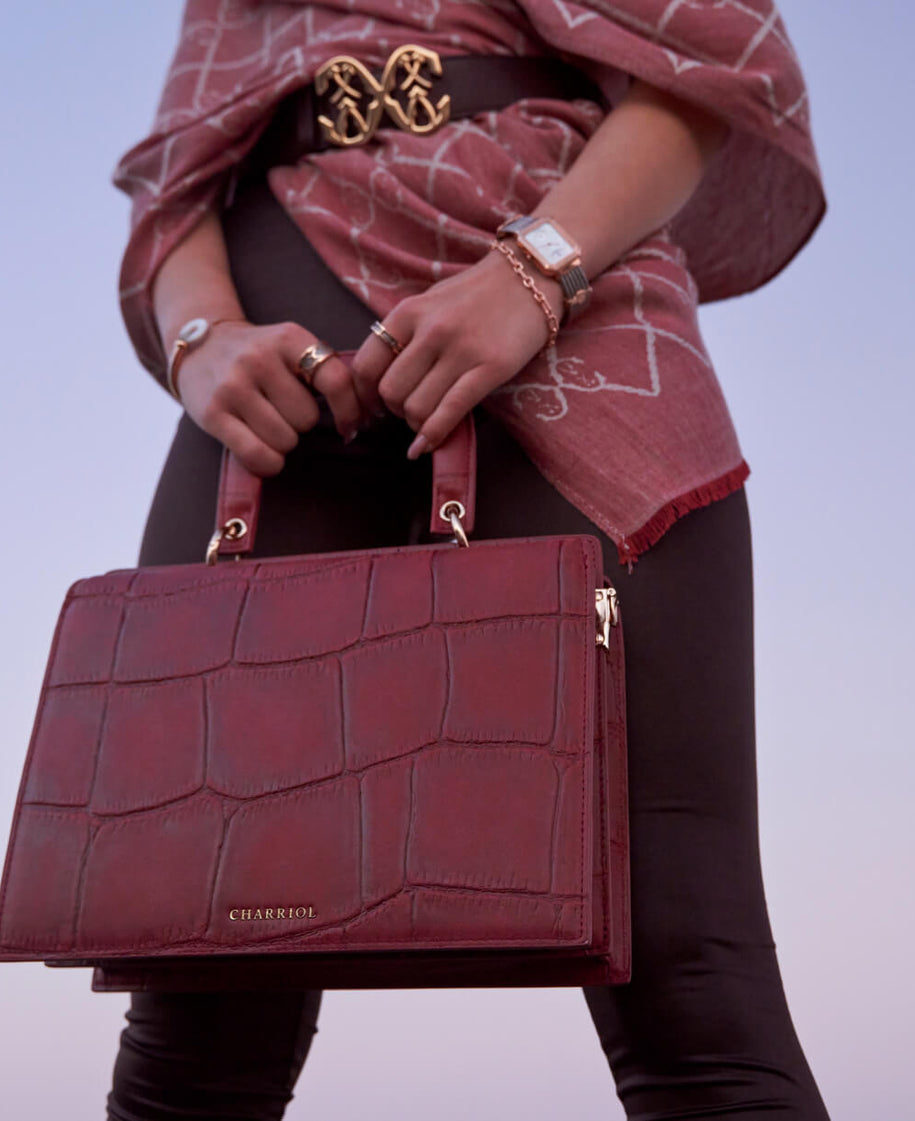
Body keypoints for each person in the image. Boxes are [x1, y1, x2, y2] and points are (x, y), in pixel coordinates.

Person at [106, 2, 830, 1118]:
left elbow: (702, 68)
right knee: (197, 1013)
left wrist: (533, 272)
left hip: (575, 305)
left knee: (691, 980)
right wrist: (200, 338)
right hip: (271, 387)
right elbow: (182, 172)